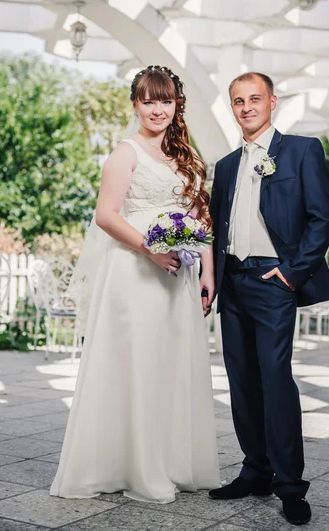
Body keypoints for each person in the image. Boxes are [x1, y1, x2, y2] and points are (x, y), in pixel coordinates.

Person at [50, 65, 220, 504]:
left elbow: (200, 217)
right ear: (135, 105)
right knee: (138, 362)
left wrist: (207, 270)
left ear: (176, 104)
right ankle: (134, 466)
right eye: (148, 100)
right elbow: (106, 215)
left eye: (165, 100)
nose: (157, 109)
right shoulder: (125, 154)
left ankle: (173, 462)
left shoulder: (186, 157)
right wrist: (150, 249)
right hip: (136, 271)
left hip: (177, 276)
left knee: (171, 362)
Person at [208, 72, 329, 525]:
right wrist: (213, 279)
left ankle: (290, 486)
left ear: (272, 102)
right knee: (241, 381)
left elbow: (322, 218)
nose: (246, 107)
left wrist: (291, 274)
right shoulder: (224, 167)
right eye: (238, 101)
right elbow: (216, 230)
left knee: (275, 379)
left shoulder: (301, 151)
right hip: (233, 283)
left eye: (254, 98)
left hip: (272, 281)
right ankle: (255, 471)